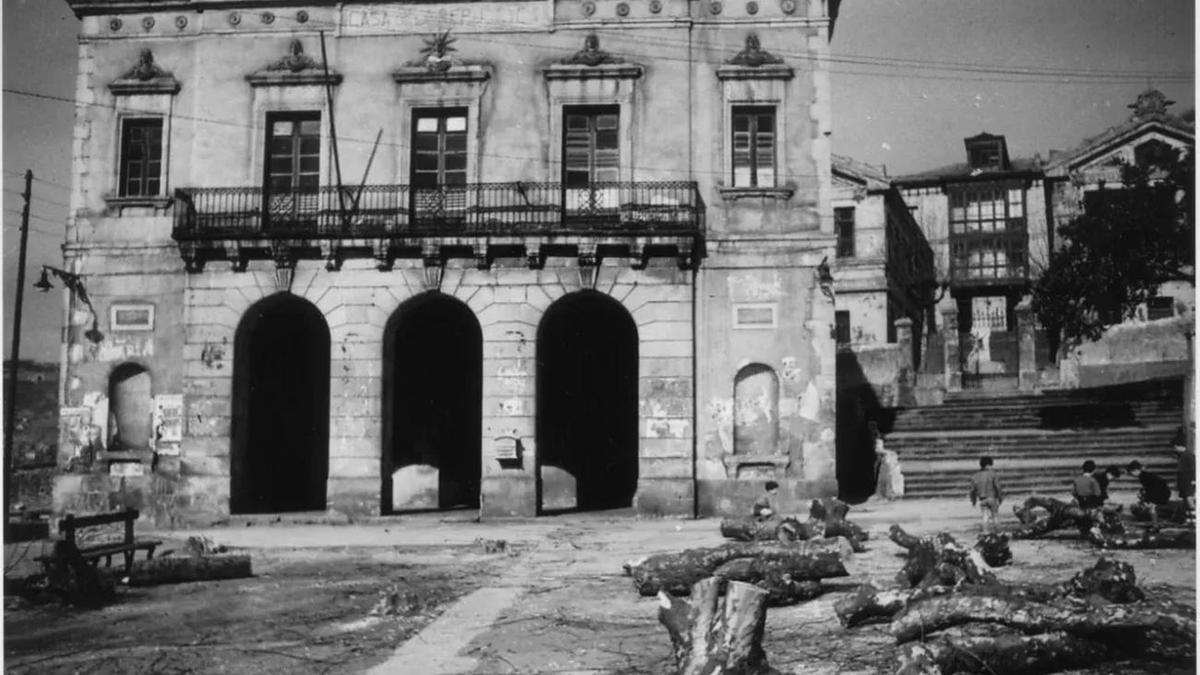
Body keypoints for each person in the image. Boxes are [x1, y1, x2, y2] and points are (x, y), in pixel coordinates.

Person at [1127, 460, 1171, 530]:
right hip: (1162, 491)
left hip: (1160, 492)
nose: (1132, 474)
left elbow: (1151, 487)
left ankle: (1155, 525)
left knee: (1151, 507)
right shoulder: (1144, 475)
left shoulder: (1143, 477)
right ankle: (1155, 524)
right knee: (1151, 507)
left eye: (1131, 472)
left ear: (1136, 470)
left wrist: (1147, 498)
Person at [968, 456, 1004, 533]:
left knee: (985, 517)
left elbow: (972, 490)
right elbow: (998, 487)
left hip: (982, 499)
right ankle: (999, 533)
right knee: (995, 516)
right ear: (988, 465)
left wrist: (973, 501)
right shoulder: (993, 474)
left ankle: (986, 533)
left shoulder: (975, 476)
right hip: (992, 497)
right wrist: (1000, 497)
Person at [1172, 426, 1195, 513]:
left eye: (1175, 447)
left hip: (1189, 480)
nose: (1175, 449)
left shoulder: (1188, 455)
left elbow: (1193, 468)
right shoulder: (1183, 455)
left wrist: (1193, 480)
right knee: (1185, 499)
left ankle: (1194, 516)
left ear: (1179, 446)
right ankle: (1188, 517)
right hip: (1183, 480)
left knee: (1189, 499)